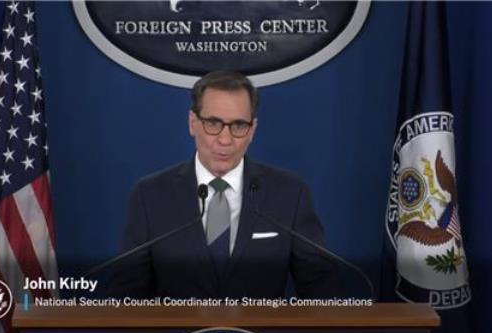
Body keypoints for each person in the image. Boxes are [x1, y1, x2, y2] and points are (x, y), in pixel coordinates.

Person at [110, 71, 338, 299]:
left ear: (252, 130)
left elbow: (320, 289)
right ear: (192, 123)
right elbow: (127, 296)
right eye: (213, 123)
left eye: (239, 125)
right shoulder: (150, 196)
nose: (225, 139)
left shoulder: (290, 194)